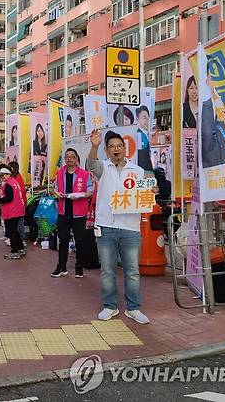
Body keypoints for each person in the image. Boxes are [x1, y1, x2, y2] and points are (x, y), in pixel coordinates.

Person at [87, 130, 158, 325]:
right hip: (106, 226)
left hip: (130, 227)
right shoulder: (103, 167)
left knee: (132, 271)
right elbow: (90, 165)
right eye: (112, 146)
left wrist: (152, 190)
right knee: (107, 270)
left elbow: (148, 191)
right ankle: (110, 306)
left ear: (125, 148)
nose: (116, 149)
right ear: (107, 150)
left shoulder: (138, 171)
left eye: (119, 146)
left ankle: (133, 308)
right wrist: (93, 146)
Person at [50, 149, 93, 278]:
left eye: (72, 156)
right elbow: (54, 188)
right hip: (63, 211)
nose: (69, 159)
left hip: (79, 213)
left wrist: (81, 195)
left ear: (77, 159)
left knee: (79, 241)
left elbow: (90, 190)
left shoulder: (85, 174)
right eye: (67, 156)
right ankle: (61, 267)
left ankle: (79, 268)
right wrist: (55, 193)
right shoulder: (59, 173)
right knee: (63, 240)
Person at [0, 166, 26, 260]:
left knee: (11, 232)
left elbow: (9, 198)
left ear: (8, 174)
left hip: (11, 211)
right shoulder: (14, 182)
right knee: (15, 231)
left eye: (3, 175)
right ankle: (20, 249)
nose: (2, 177)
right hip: (18, 210)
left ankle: (14, 251)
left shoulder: (8, 184)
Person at [9, 161, 28, 252]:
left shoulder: (17, 178)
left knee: (19, 222)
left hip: (20, 203)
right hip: (17, 203)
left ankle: (21, 240)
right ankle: (17, 240)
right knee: (16, 223)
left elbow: (21, 192)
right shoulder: (14, 177)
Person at [135, 105, 153, 172]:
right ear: (137, 119)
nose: (147, 121)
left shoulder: (145, 134)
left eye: (148, 118)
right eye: (144, 118)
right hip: (144, 173)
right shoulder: (139, 135)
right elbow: (142, 160)